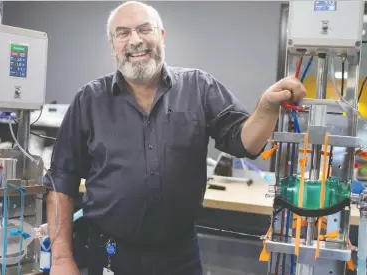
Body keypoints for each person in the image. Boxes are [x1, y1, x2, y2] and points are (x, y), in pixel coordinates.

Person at [44, 1, 307, 275]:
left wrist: (266, 107)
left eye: (145, 29)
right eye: (122, 33)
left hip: (180, 256)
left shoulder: (199, 87)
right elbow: (62, 179)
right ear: (112, 44)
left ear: (162, 35)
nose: (135, 40)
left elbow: (244, 142)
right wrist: (62, 259)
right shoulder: (89, 99)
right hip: (109, 254)